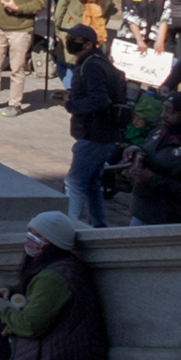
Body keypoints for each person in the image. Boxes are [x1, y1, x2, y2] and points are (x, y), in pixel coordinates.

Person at [0, 210, 112, 360]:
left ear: (54, 242)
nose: (31, 239)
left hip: (51, 352)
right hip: (54, 341)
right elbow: (42, 297)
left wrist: (6, 315)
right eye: (30, 233)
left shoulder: (52, 277)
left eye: (39, 235)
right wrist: (11, 291)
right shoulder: (64, 265)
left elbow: (30, 326)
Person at [58, 25, 128, 227]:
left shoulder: (92, 65)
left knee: (75, 182)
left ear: (88, 43)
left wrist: (70, 104)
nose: (69, 41)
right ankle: (98, 226)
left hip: (95, 133)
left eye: (74, 38)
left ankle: (71, 226)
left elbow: (99, 100)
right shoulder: (97, 62)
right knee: (92, 184)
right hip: (103, 133)